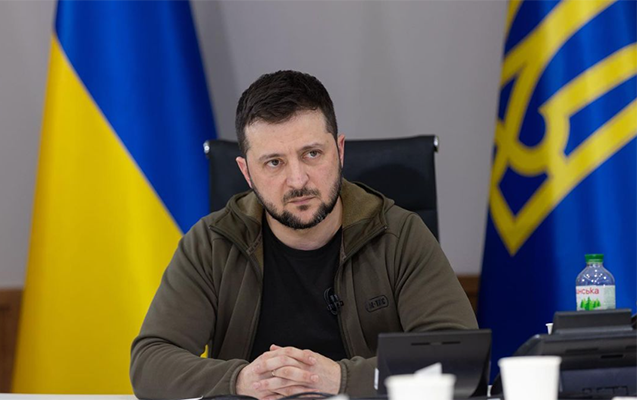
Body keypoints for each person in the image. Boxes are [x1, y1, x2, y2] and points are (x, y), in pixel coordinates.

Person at [130, 70, 478, 400]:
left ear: (339, 152)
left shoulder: (399, 235)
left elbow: (459, 360)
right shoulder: (211, 243)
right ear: (246, 173)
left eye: (312, 154)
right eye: (274, 162)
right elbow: (150, 363)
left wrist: (341, 379)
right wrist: (242, 380)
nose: (297, 180)